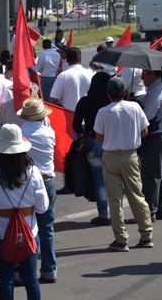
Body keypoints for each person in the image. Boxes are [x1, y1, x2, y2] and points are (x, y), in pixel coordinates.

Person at [0, 124, 49, 300]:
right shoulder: (33, 172)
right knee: (31, 280)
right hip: (29, 231)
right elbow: (43, 206)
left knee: (6, 281)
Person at [93, 76, 153, 252]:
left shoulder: (103, 112)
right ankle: (146, 234)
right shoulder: (134, 107)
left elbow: (99, 137)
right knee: (137, 195)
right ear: (125, 92)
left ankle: (121, 239)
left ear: (108, 94)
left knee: (115, 198)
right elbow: (145, 131)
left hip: (111, 156)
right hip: (130, 156)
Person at [17, 98, 57, 283]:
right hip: (47, 180)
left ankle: (24, 270)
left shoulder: (21, 132)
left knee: (24, 226)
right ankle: (49, 269)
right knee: (46, 227)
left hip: (25, 181)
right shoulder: (49, 132)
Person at [73, 72, 112, 225]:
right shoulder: (110, 102)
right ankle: (117, 211)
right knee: (115, 178)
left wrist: (85, 131)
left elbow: (76, 125)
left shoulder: (85, 101)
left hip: (94, 141)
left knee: (99, 180)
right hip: (113, 142)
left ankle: (103, 213)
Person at [140, 69, 162, 221]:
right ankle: (160, 208)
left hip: (156, 137)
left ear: (153, 74)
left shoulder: (157, 91)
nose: (142, 77)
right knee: (161, 173)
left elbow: (148, 116)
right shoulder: (158, 87)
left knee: (152, 175)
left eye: (145, 74)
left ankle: (150, 211)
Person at [49, 47, 93, 112]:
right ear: (80, 59)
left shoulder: (63, 76)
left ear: (66, 60)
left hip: (68, 117)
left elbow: (53, 100)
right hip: (86, 116)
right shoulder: (90, 74)